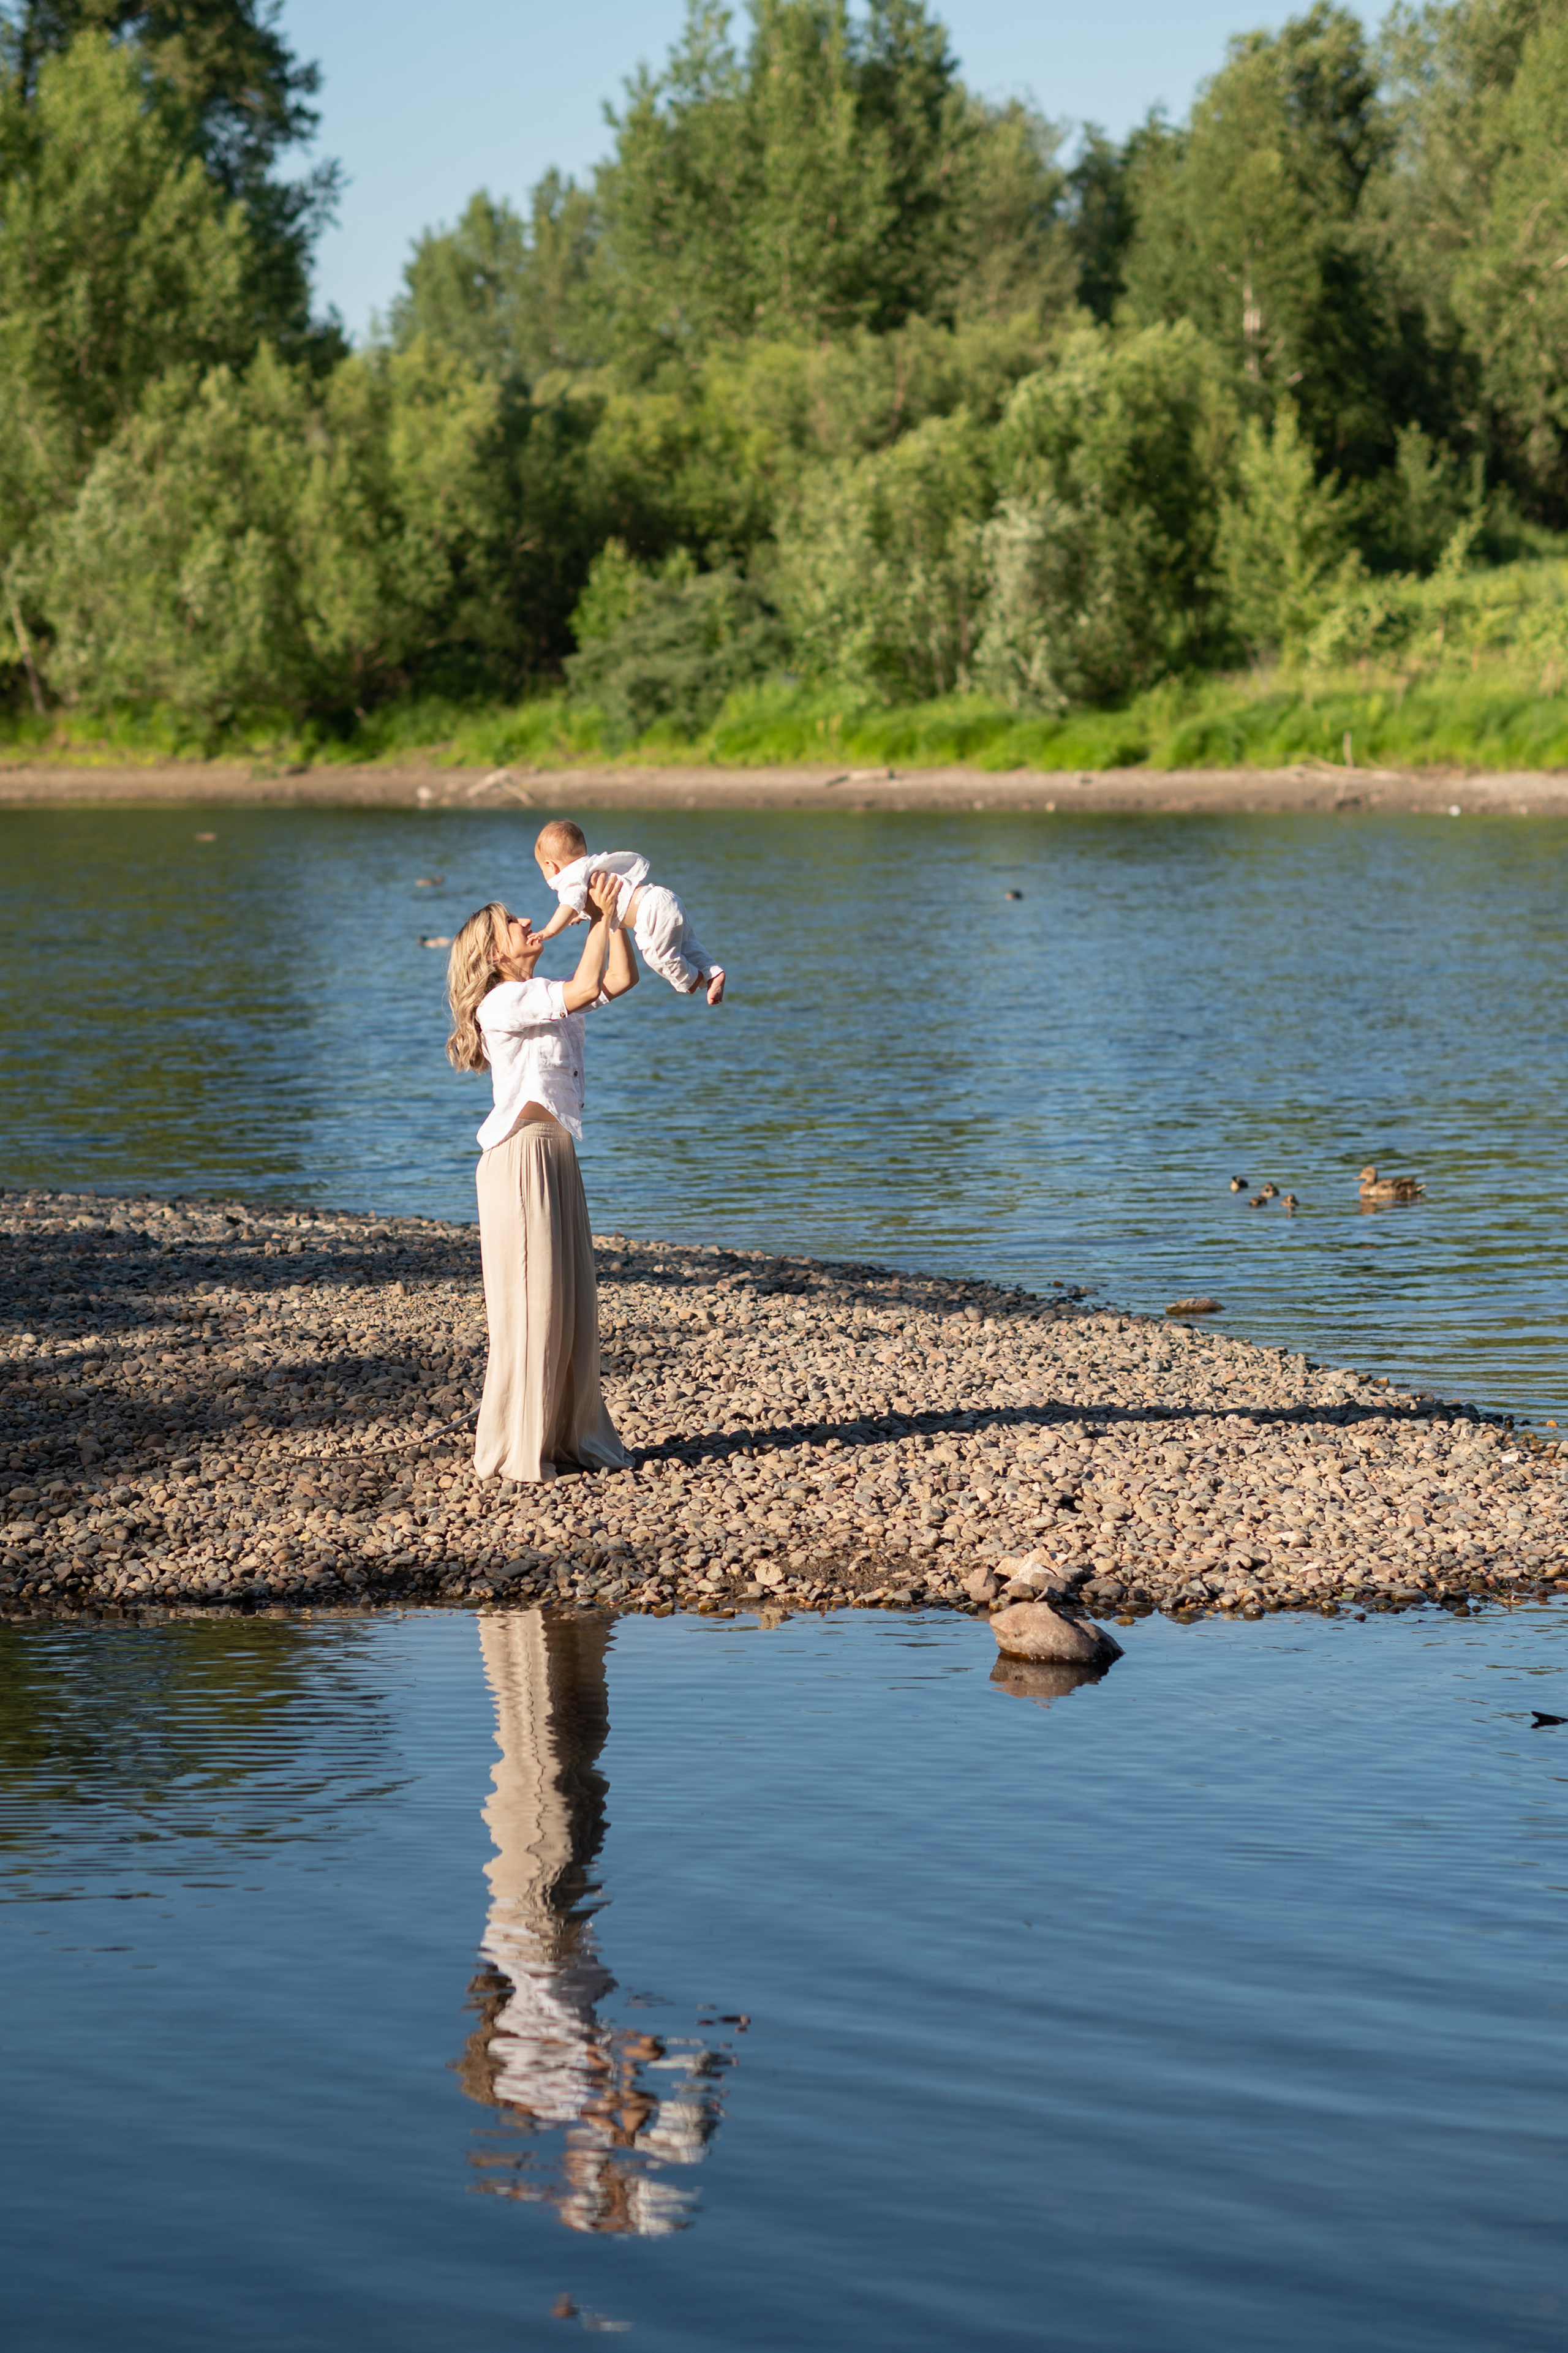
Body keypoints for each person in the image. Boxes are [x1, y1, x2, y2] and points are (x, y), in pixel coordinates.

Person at [445, 872, 636, 1483]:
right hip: (521, 1157)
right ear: (494, 954)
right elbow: (585, 985)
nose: (529, 922)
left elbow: (618, 980)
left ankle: (567, 1438)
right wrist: (596, 917)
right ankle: (516, 1446)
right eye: (514, 924)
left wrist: (612, 918)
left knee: (572, 1304)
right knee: (534, 1305)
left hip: (556, 1155)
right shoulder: (501, 1001)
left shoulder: (539, 993)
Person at [532, 818, 725, 1005]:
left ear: (551, 866)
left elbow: (569, 905)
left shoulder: (571, 878)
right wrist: (580, 915)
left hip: (650, 911)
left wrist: (550, 931)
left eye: (542, 870)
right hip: (663, 897)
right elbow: (591, 902)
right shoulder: (590, 866)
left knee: (658, 956)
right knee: (687, 944)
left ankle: (693, 981)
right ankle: (713, 972)